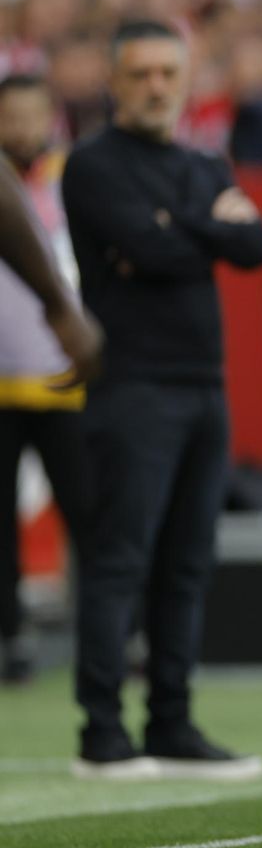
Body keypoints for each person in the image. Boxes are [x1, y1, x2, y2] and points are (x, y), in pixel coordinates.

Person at [62, 19, 262, 780]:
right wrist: (205, 227)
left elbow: (257, 247)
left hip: (202, 385)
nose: (155, 86)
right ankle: (101, 732)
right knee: (121, 559)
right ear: (114, 82)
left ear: (184, 81)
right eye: (141, 73)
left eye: (166, 73)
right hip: (132, 385)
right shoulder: (90, 165)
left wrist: (176, 230)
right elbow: (150, 251)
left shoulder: (199, 161)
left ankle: (172, 723)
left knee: (187, 561)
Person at [0, 74, 95, 685]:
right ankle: (11, 636)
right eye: (11, 116)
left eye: (33, 115)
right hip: (2, 378)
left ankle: (111, 631)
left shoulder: (76, 179)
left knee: (91, 513)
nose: (23, 129)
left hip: (69, 376)